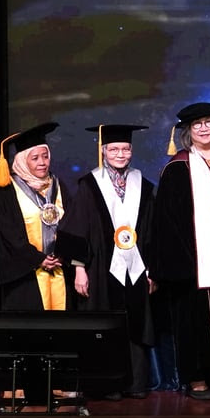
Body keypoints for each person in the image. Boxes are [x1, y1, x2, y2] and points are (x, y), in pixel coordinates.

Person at [149, 103, 210, 401]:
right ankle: (197, 378)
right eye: (197, 124)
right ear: (188, 131)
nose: (203, 128)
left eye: (209, 122)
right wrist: (185, 262)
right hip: (192, 263)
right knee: (193, 321)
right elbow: (168, 221)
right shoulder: (178, 167)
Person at [65, 124, 156, 400]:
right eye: (114, 149)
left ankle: (136, 382)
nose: (120, 154)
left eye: (125, 149)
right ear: (103, 151)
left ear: (132, 151)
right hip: (100, 266)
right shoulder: (89, 185)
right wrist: (79, 269)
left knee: (135, 321)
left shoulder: (144, 185)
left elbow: (152, 231)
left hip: (136, 269)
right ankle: (107, 384)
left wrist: (152, 270)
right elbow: (77, 228)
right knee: (104, 324)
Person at [0, 122, 74, 310]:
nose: (42, 162)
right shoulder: (8, 191)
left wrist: (62, 254)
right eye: (35, 158)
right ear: (22, 161)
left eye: (45, 156)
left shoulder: (58, 185)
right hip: (24, 276)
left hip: (59, 269)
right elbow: (8, 233)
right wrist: (37, 258)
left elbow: (71, 224)